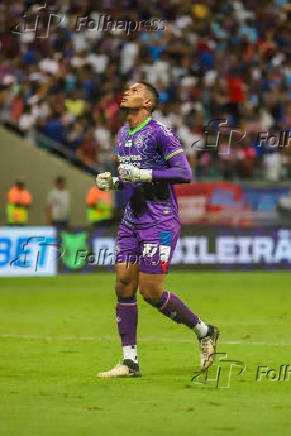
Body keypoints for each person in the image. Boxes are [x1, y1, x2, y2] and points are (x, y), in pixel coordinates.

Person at [96, 82, 219, 378]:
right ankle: (130, 362)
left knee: (151, 292)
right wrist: (114, 182)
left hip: (159, 218)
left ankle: (204, 331)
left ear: (148, 102)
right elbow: (131, 177)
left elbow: (184, 173)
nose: (126, 91)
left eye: (134, 90)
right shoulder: (123, 134)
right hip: (131, 218)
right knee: (124, 282)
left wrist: (146, 174)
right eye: (126, 88)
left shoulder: (160, 133)